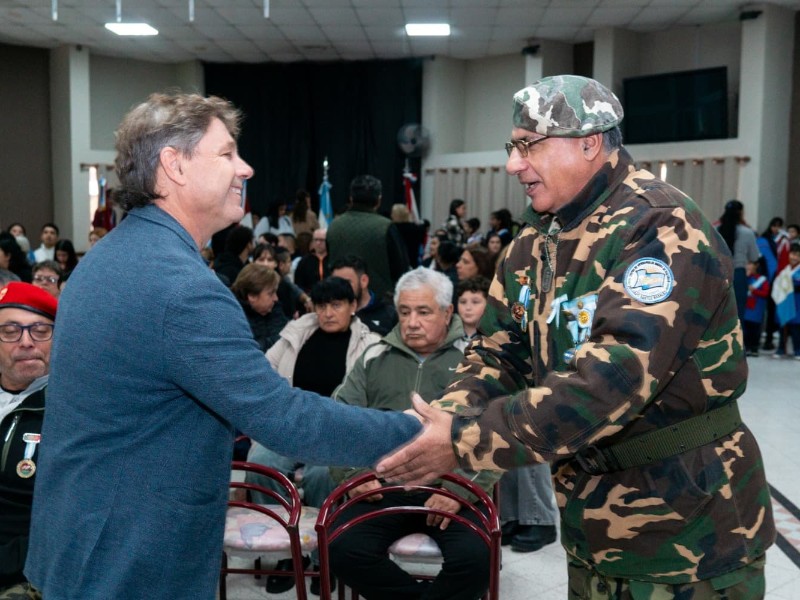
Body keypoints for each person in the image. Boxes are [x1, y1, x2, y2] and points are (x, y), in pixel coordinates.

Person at [377, 75, 775, 598]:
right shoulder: (536, 238)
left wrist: (464, 443)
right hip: (592, 525)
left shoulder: (659, 227)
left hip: (691, 531)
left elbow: (610, 379)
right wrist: (448, 419)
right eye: (511, 147)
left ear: (590, 143)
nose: (513, 164)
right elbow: (499, 353)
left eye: (528, 145)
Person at [23, 92, 421, 600]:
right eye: (227, 153)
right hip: (131, 557)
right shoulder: (180, 287)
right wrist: (417, 432)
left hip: (81, 536)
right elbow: (283, 419)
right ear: (175, 165)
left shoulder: (109, 257)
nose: (247, 168)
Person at [329, 268, 496, 600]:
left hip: (451, 487)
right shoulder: (374, 356)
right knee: (341, 547)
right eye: (404, 312)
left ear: (448, 313)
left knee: (477, 559)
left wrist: (458, 489)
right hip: (382, 486)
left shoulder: (475, 361)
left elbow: (494, 434)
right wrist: (353, 474)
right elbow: (339, 420)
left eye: (423, 311)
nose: (411, 322)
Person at [0, 282, 57, 599]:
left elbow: (69, 518)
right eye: (9, 331)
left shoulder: (72, 412)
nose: (25, 342)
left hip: (26, 573)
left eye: (40, 330)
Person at [326, 175, 410, 299]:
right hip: (379, 303)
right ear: (379, 200)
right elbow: (401, 268)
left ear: (351, 198)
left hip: (339, 299)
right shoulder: (386, 227)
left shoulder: (334, 225)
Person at [331, 255, 398, 336]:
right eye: (335, 283)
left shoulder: (389, 313)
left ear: (364, 281)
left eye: (346, 283)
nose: (339, 288)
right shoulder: (329, 313)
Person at [717, 200, 760, 322]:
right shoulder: (747, 232)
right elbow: (754, 256)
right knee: (738, 313)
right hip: (738, 274)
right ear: (741, 213)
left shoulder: (715, 230)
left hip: (717, 274)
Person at [230, 262, 288, 352]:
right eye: (271, 293)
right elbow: (248, 350)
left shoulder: (274, 307)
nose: (276, 298)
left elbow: (285, 336)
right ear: (252, 296)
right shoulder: (232, 315)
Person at [757, 217, 791, 350]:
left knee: (771, 311)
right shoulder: (764, 239)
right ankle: (759, 338)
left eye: (778, 226)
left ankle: (769, 339)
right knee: (760, 310)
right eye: (774, 226)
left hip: (776, 280)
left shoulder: (783, 241)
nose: (776, 229)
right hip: (764, 278)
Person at [771, 242, 800, 359]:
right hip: (784, 304)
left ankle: (798, 350)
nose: (794, 257)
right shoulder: (784, 271)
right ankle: (781, 348)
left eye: (798, 255)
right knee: (783, 327)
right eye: (793, 254)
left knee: (796, 330)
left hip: (797, 305)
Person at [743, 260, 770, 357]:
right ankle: (746, 347)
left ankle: (754, 348)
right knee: (745, 329)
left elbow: (765, 293)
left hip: (756, 309)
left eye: (750, 263)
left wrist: (754, 291)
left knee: (755, 330)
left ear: (756, 265)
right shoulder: (744, 277)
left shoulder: (762, 279)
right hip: (746, 308)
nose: (748, 266)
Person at [294, 228, 330, 293]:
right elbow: (298, 284)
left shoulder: (332, 259)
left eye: (321, 240)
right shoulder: (305, 261)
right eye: (316, 240)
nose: (318, 243)